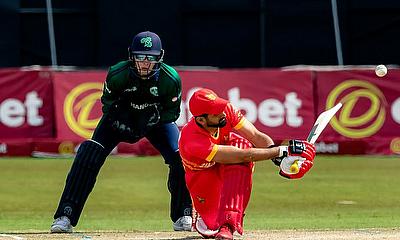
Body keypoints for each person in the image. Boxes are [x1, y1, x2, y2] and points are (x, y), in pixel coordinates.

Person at [51, 31, 192, 233]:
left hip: (156, 121)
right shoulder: (118, 74)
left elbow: (172, 113)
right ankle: (65, 215)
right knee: (88, 154)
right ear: (131, 56)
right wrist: (123, 121)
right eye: (140, 57)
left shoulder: (170, 79)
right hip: (120, 120)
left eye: (150, 58)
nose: (145, 63)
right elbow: (107, 106)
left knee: (182, 157)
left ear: (159, 57)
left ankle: (183, 214)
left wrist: (152, 120)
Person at [179, 88, 316, 240]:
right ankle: (213, 220)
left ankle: (228, 225)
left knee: (241, 143)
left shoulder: (225, 111)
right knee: (211, 226)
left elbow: (255, 136)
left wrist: (280, 160)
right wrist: (282, 151)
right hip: (202, 178)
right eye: (215, 112)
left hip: (227, 160)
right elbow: (243, 155)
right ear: (201, 120)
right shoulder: (192, 140)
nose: (222, 113)